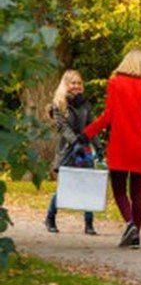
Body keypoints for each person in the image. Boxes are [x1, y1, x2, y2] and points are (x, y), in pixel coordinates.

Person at [83, 49, 141, 249]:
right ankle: (136, 236)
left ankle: (130, 224)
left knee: (119, 191)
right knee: (137, 193)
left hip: (120, 144)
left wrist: (87, 133)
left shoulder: (115, 82)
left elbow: (108, 115)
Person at [44, 69, 102, 235]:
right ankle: (50, 217)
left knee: (88, 185)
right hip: (68, 149)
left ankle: (89, 223)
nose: (76, 86)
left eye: (79, 83)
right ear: (66, 84)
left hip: (84, 149)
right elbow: (63, 127)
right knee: (66, 186)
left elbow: (92, 127)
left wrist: (98, 147)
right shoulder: (59, 105)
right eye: (73, 83)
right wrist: (75, 141)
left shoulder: (85, 104)